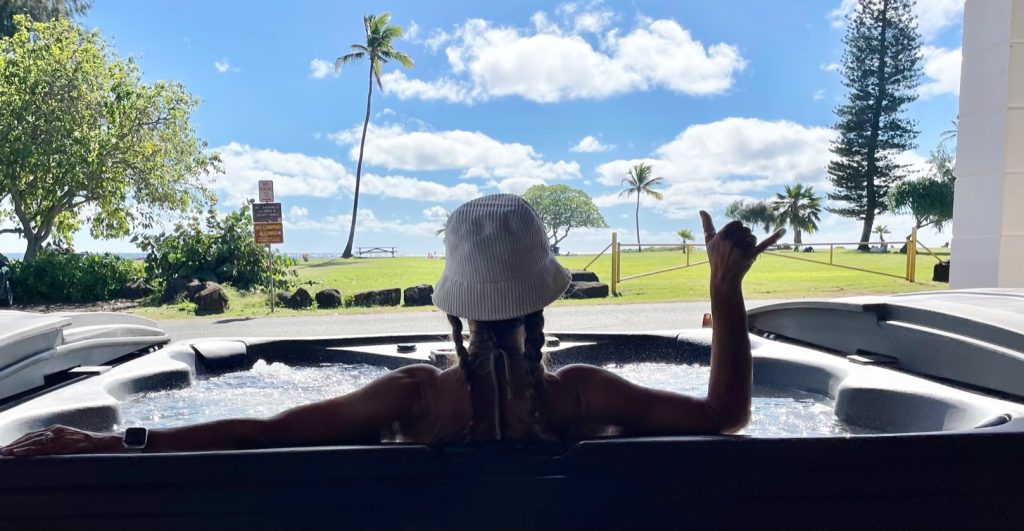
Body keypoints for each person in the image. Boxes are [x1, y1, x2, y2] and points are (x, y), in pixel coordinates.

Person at [1, 194, 783, 456]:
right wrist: (725, 289)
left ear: (453, 310)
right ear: (543, 305)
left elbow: (264, 436)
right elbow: (728, 414)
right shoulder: (580, 396)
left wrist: (121, 440)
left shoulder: (414, 400)